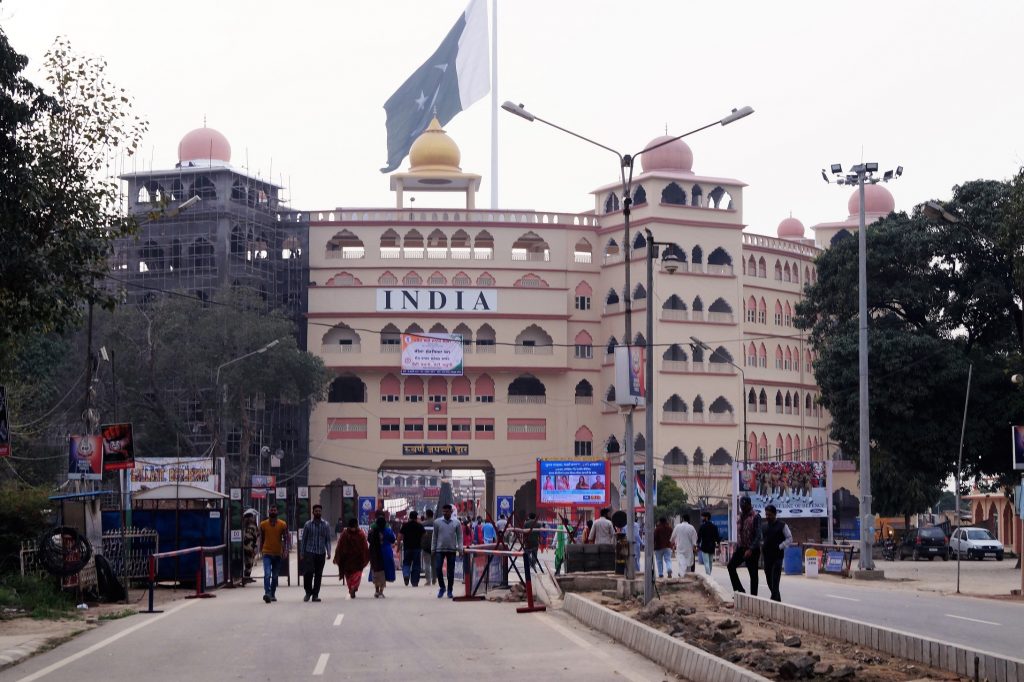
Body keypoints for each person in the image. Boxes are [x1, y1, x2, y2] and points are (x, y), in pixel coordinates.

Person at [728, 496, 763, 595]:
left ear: (749, 504)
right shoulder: (740, 516)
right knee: (730, 566)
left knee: (753, 574)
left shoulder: (756, 516)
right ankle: (740, 591)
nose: (742, 508)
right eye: (741, 506)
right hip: (741, 548)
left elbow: (758, 535)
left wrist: (751, 549)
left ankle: (753, 597)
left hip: (752, 549)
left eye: (744, 506)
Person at [300, 503, 333, 602]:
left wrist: (329, 551)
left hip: (321, 552)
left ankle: (315, 595)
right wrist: (302, 553)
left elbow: (327, 539)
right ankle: (308, 592)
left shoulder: (326, 525)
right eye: (316, 511)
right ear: (313, 512)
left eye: (319, 511)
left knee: (318, 575)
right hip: (309, 552)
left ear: (321, 512)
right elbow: (304, 540)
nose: (318, 512)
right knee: (308, 573)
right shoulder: (308, 524)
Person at [761, 504, 793, 602]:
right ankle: (776, 598)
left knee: (775, 579)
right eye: (766, 515)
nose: (767, 517)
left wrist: (780, 546)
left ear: (775, 514)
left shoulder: (782, 525)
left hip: (777, 556)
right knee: (769, 579)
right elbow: (762, 539)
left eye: (769, 515)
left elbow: (790, 538)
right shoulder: (764, 526)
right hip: (767, 556)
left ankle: (774, 599)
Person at [258, 504, 289, 604]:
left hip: (277, 553)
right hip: (266, 552)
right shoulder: (263, 524)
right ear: (268, 512)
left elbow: (286, 538)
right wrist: (259, 549)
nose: (273, 512)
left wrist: (285, 550)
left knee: (275, 576)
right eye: (271, 510)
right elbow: (261, 538)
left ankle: (272, 594)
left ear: (277, 512)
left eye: (274, 510)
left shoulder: (282, 524)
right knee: (267, 574)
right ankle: (267, 593)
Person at [432, 504, 463, 598]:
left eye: (447, 511)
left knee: (451, 571)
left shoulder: (456, 523)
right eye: (443, 512)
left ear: (451, 512)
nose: (445, 513)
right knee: (438, 568)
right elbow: (435, 536)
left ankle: (450, 590)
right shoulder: (437, 522)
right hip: (439, 549)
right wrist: (433, 548)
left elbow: (460, 537)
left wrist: (460, 548)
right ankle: (442, 587)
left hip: (452, 549)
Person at [333, 518, 369, 598]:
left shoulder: (345, 534)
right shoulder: (360, 534)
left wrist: (337, 557)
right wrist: (366, 556)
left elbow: (339, 546)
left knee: (348, 576)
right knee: (357, 574)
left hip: (347, 560)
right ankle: (353, 587)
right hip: (357, 560)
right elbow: (365, 547)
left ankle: (351, 587)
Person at [367, 513, 397, 598]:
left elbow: (369, 539)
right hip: (386, 553)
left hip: (376, 553)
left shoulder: (373, 531)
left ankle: (376, 590)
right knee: (385, 572)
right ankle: (381, 591)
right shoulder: (388, 530)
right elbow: (393, 539)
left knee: (376, 571)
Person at [399, 511, 425, 587]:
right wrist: (421, 541)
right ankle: (415, 581)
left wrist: (398, 546)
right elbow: (425, 535)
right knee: (416, 564)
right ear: (416, 517)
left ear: (409, 517)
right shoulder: (419, 526)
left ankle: (406, 574)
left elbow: (399, 536)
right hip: (417, 548)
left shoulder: (405, 525)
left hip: (407, 548)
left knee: (406, 562)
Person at [697, 511, 721, 575]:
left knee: (706, 562)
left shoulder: (702, 527)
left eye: (703, 517)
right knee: (710, 562)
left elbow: (699, 537)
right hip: (712, 547)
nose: (702, 518)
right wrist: (719, 547)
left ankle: (708, 575)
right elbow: (717, 538)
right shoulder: (714, 527)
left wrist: (698, 545)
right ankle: (709, 574)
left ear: (706, 517)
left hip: (704, 547)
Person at [241, 511, 259, 584]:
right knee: (249, 562)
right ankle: (246, 577)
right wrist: (255, 547)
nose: (252, 519)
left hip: (245, 546)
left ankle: (245, 577)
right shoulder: (253, 526)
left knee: (247, 562)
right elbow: (257, 536)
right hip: (249, 547)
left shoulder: (242, 525)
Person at [421, 508, 435, 586]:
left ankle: (428, 580)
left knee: (427, 563)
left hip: (426, 546)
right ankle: (434, 579)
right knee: (434, 563)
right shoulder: (436, 524)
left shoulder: (423, 524)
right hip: (434, 545)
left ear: (426, 515)